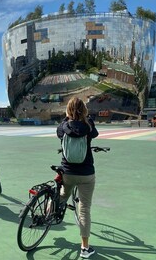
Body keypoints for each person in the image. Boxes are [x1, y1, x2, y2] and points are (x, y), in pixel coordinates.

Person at [56, 97, 99, 259]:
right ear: (84, 109)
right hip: (86, 173)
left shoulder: (63, 126)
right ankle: (85, 247)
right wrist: (85, 119)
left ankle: (48, 214)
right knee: (84, 209)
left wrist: (67, 119)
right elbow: (95, 134)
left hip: (68, 172)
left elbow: (60, 134)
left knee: (61, 195)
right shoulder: (88, 125)